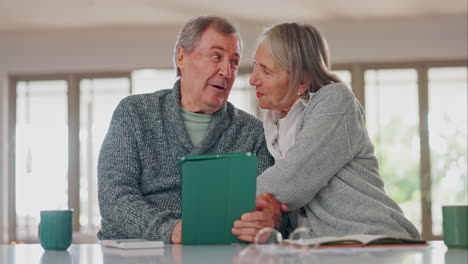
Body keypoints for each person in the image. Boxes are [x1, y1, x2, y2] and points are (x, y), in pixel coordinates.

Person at [97, 15, 281, 244]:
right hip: (140, 252)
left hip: (221, 253)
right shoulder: (134, 113)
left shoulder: (253, 131)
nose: (227, 71)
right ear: (181, 57)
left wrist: (270, 218)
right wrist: (172, 230)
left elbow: (267, 204)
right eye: (216, 56)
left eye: (234, 62)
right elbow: (114, 199)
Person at [232, 22, 421, 242]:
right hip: (325, 248)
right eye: (256, 65)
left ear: (301, 81)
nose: (253, 79)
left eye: (266, 70)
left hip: (374, 241)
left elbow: (293, 181)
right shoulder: (271, 123)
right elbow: (277, 195)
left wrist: (218, 206)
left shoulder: (335, 100)